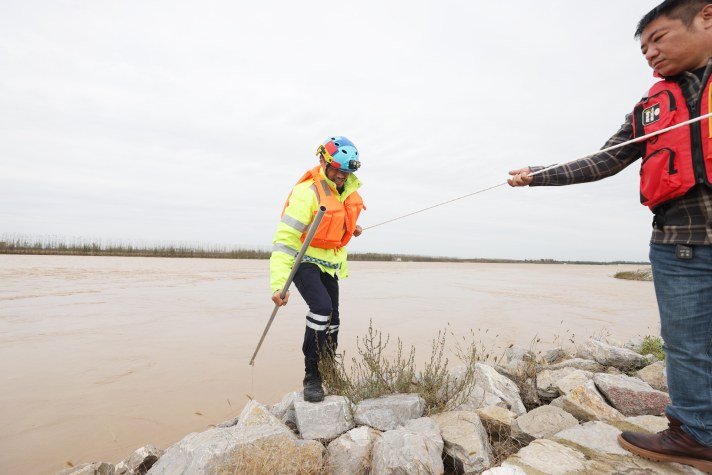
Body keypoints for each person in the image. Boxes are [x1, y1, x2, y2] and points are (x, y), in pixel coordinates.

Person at [508, 1, 712, 471]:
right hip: (678, 246)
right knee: (686, 345)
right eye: (643, 49)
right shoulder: (649, 108)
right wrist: (537, 174)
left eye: (658, 39)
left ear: (705, 17)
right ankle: (696, 435)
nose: (649, 53)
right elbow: (604, 160)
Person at [269, 136, 365, 403]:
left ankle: (329, 369)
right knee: (321, 309)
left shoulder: (350, 192)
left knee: (333, 320)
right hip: (303, 261)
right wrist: (279, 285)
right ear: (323, 161)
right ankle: (312, 376)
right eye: (335, 169)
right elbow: (285, 242)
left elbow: (338, 220)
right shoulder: (308, 192)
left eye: (346, 172)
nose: (340, 176)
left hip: (331, 264)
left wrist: (351, 228)